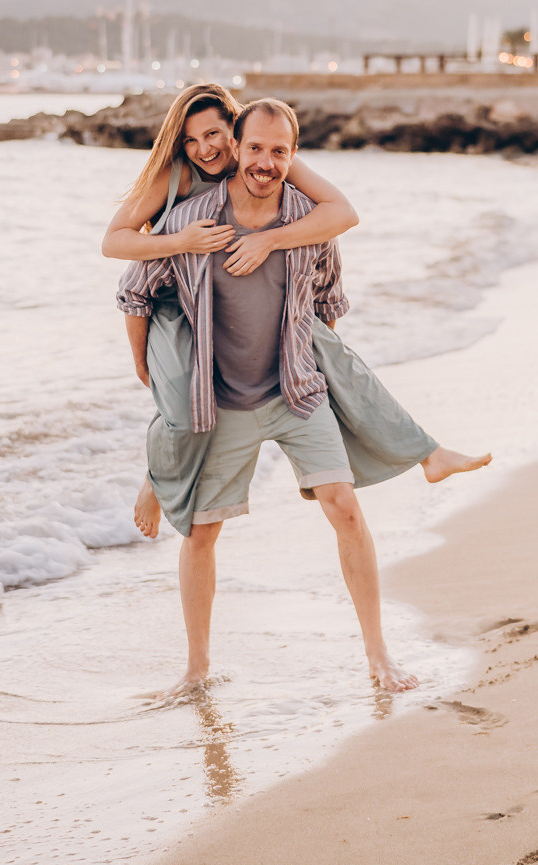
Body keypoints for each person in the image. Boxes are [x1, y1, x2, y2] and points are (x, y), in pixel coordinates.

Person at [117, 98, 488, 694]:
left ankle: (378, 656)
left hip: (294, 391)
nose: (265, 162)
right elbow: (135, 289)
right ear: (236, 147)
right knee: (203, 534)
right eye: (255, 148)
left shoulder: (309, 219)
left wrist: (313, 366)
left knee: (343, 506)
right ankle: (196, 669)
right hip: (223, 400)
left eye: (279, 151)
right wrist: (146, 369)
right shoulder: (192, 220)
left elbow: (329, 302)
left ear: (293, 154)